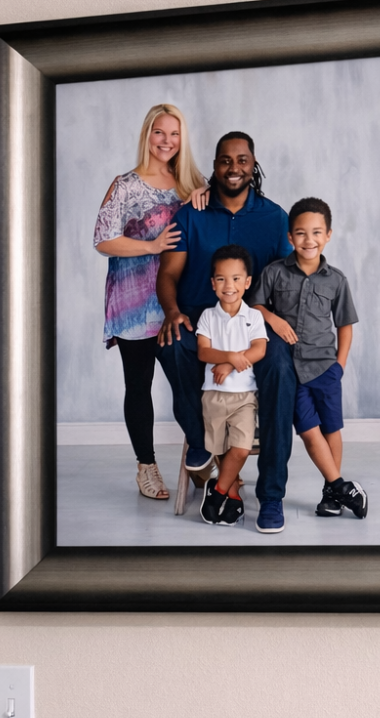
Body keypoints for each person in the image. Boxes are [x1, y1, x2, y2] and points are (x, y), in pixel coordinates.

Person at [156, 131, 295, 533]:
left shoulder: (274, 217)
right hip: (200, 320)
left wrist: (276, 320)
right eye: (225, 160)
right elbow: (168, 273)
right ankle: (200, 440)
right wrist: (172, 312)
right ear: (215, 166)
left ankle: (271, 496)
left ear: (254, 165)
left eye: (242, 160)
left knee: (281, 368)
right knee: (171, 345)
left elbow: (287, 280)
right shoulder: (191, 213)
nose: (234, 168)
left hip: (254, 323)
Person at [93, 104, 206, 501]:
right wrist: (152, 245)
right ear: (147, 135)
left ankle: (201, 460)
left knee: (190, 386)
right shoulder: (125, 185)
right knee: (139, 386)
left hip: (177, 304)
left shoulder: (192, 184)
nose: (166, 141)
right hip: (134, 306)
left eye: (174, 134)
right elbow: (103, 240)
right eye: (160, 132)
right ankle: (147, 467)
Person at [248, 197, 367, 519]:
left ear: (328, 235)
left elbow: (345, 325)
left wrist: (340, 366)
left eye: (316, 232)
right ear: (290, 237)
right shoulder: (275, 272)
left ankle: (332, 495)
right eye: (300, 233)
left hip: (325, 368)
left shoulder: (337, 280)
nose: (308, 240)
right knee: (308, 431)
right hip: (293, 371)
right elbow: (255, 306)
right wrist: (273, 319)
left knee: (331, 428)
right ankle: (341, 486)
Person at [195, 245, 269, 526]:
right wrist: (229, 357)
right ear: (213, 283)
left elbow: (259, 349)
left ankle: (217, 492)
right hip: (214, 395)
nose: (229, 286)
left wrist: (229, 364)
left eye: (236, 278)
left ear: (247, 282)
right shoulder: (208, 316)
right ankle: (234, 493)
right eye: (222, 279)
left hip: (244, 396)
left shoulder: (254, 317)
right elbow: (204, 352)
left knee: (240, 449)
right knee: (221, 450)